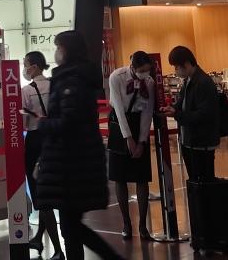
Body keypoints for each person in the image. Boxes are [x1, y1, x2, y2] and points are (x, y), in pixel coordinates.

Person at [33, 30, 121, 260]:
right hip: (74, 163)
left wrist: (43, 124)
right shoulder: (75, 78)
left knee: (71, 226)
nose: (56, 52)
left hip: (71, 165)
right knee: (71, 226)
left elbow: (69, 122)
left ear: (67, 51)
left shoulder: (71, 81)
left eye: (58, 47)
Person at [107, 51, 156, 239]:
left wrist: (142, 140)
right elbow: (119, 110)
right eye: (142, 70)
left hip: (138, 124)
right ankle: (126, 223)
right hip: (119, 125)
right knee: (119, 177)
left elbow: (147, 112)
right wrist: (128, 138)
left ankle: (143, 225)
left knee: (141, 177)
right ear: (132, 67)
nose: (145, 74)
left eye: (147, 70)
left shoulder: (149, 82)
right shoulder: (116, 77)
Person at [22, 51, 63, 258]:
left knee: (41, 195)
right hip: (55, 139)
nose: (24, 68)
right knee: (52, 189)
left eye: (26, 64)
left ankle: (57, 250)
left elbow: (23, 122)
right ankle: (38, 238)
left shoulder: (27, 90)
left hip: (35, 141)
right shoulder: (55, 85)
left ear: (35, 66)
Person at [168, 45, 220, 181]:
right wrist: (172, 109)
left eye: (176, 67)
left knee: (203, 182)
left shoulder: (203, 82)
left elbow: (204, 114)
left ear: (186, 63)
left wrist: (177, 114)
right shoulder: (188, 81)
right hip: (189, 141)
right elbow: (182, 103)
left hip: (202, 143)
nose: (175, 70)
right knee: (194, 181)